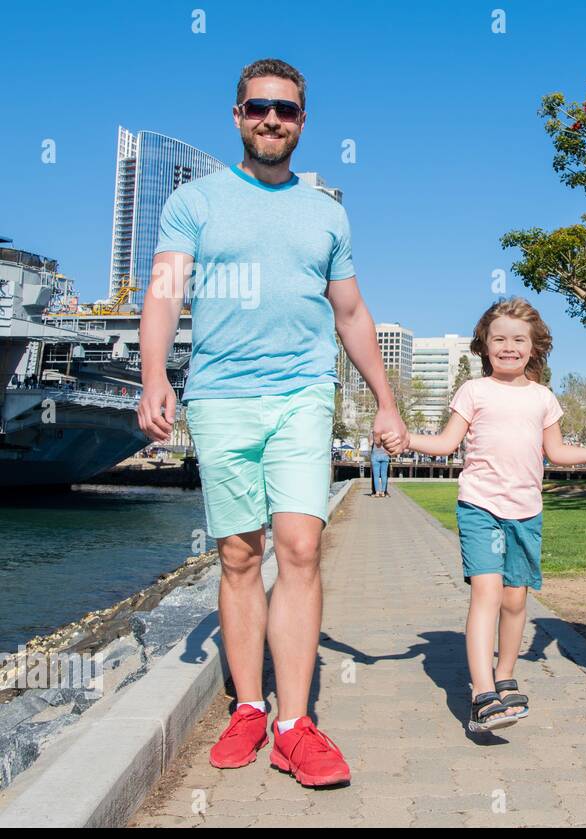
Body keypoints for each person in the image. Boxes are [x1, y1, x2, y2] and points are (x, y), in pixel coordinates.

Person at [136, 59, 407, 788]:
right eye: (259, 107)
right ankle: (248, 706)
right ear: (236, 115)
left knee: (300, 544)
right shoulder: (194, 201)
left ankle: (294, 724)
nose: (271, 120)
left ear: (302, 123)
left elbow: (350, 313)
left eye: (286, 111)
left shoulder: (326, 212)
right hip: (221, 396)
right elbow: (164, 293)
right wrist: (153, 373)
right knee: (237, 554)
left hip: (301, 393)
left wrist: (385, 398)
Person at [406, 297, 586, 732]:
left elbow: (557, 452)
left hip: (526, 512)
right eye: (499, 339)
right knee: (488, 595)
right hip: (480, 507)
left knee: (515, 600)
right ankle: (482, 693)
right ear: (484, 345)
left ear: (535, 347)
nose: (508, 347)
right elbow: (445, 442)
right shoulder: (474, 391)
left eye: (518, 340)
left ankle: (506, 675)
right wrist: (407, 439)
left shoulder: (544, 398)